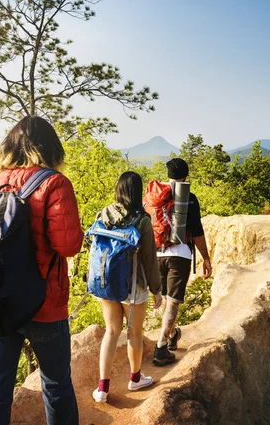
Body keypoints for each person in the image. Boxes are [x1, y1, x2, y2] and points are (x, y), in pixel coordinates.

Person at [0, 116, 84, 425]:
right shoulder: (54, 183)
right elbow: (67, 246)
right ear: (51, 148)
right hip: (44, 302)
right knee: (56, 385)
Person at [91, 172, 163, 403]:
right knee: (134, 332)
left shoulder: (103, 214)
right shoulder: (141, 220)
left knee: (111, 332)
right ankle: (135, 378)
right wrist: (156, 289)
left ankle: (102, 389)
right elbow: (150, 259)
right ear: (137, 191)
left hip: (107, 282)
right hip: (134, 285)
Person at [152, 158, 212, 366]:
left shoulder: (156, 196)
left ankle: (170, 336)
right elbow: (196, 232)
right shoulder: (189, 199)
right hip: (180, 255)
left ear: (167, 174)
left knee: (163, 298)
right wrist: (206, 258)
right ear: (186, 176)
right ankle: (161, 347)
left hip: (156, 252)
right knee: (173, 301)